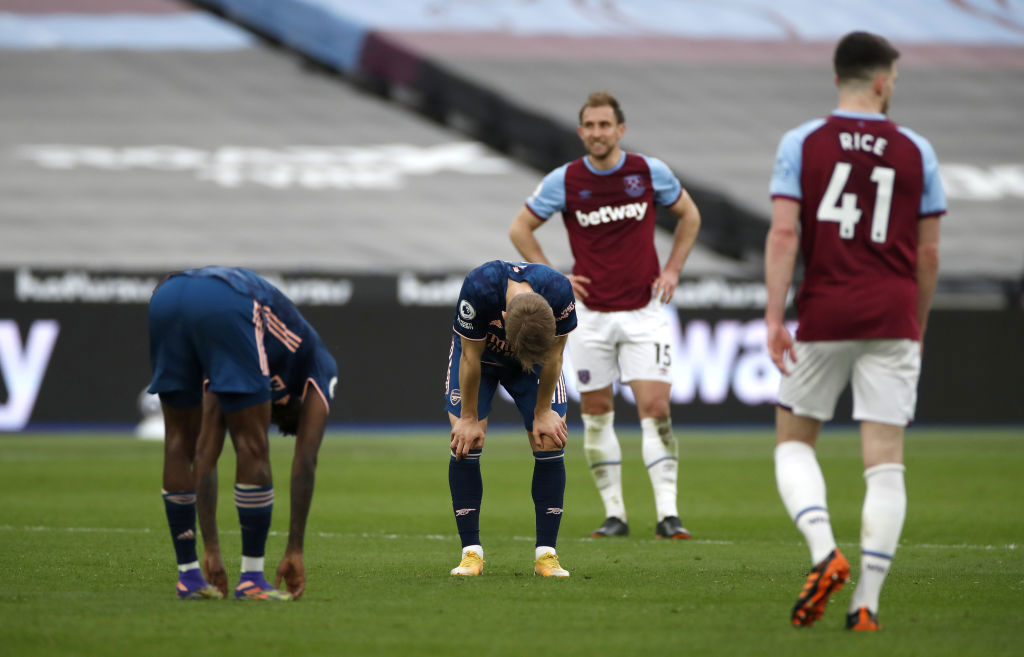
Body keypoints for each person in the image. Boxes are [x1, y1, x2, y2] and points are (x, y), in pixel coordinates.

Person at [765, 31, 944, 631]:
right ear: (880, 81)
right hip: (893, 314)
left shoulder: (802, 142)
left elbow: (785, 234)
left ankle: (823, 551)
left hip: (826, 311)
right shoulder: (917, 149)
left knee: (793, 441)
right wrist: (914, 321)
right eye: (894, 77)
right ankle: (865, 603)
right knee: (885, 463)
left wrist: (773, 314)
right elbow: (929, 255)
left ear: (835, 79)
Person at [509, 91, 701, 539]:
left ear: (620, 130)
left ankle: (668, 515)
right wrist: (554, 276)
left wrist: (672, 269)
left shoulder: (649, 172)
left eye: (604, 125)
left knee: (655, 408)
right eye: (590, 126)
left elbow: (690, 216)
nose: (597, 133)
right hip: (590, 316)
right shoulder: (565, 180)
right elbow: (520, 227)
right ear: (581, 132)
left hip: (645, 311)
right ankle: (615, 514)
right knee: (597, 412)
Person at [148, 266, 337, 601]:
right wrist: (295, 549)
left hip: (167, 294)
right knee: (252, 445)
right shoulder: (318, 362)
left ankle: (189, 576)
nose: (272, 422)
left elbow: (205, 455)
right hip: (227, 299)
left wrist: (213, 549)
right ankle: (251, 578)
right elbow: (305, 459)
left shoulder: (244, 351)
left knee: (178, 441)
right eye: (281, 424)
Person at [446, 260, 576, 577]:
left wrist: (543, 412)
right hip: (482, 359)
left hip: (537, 363)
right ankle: (470, 554)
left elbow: (555, 355)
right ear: (503, 321)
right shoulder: (478, 288)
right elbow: (469, 357)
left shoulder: (560, 292)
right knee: (468, 439)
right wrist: (469, 417)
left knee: (548, 439)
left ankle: (547, 555)